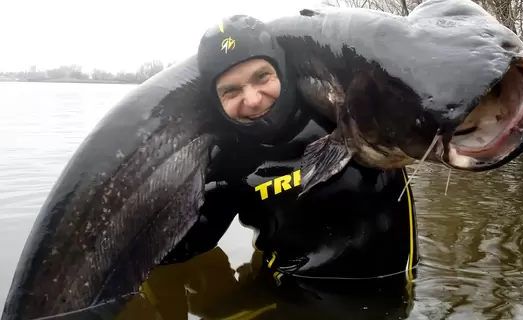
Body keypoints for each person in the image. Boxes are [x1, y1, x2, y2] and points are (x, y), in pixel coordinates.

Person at [118, 14, 420, 319]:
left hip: (388, 294)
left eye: (262, 76)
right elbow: (190, 243)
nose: (252, 99)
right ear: (215, 101)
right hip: (284, 288)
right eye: (231, 91)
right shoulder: (229, 160)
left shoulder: (346, 116)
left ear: (282, 70)